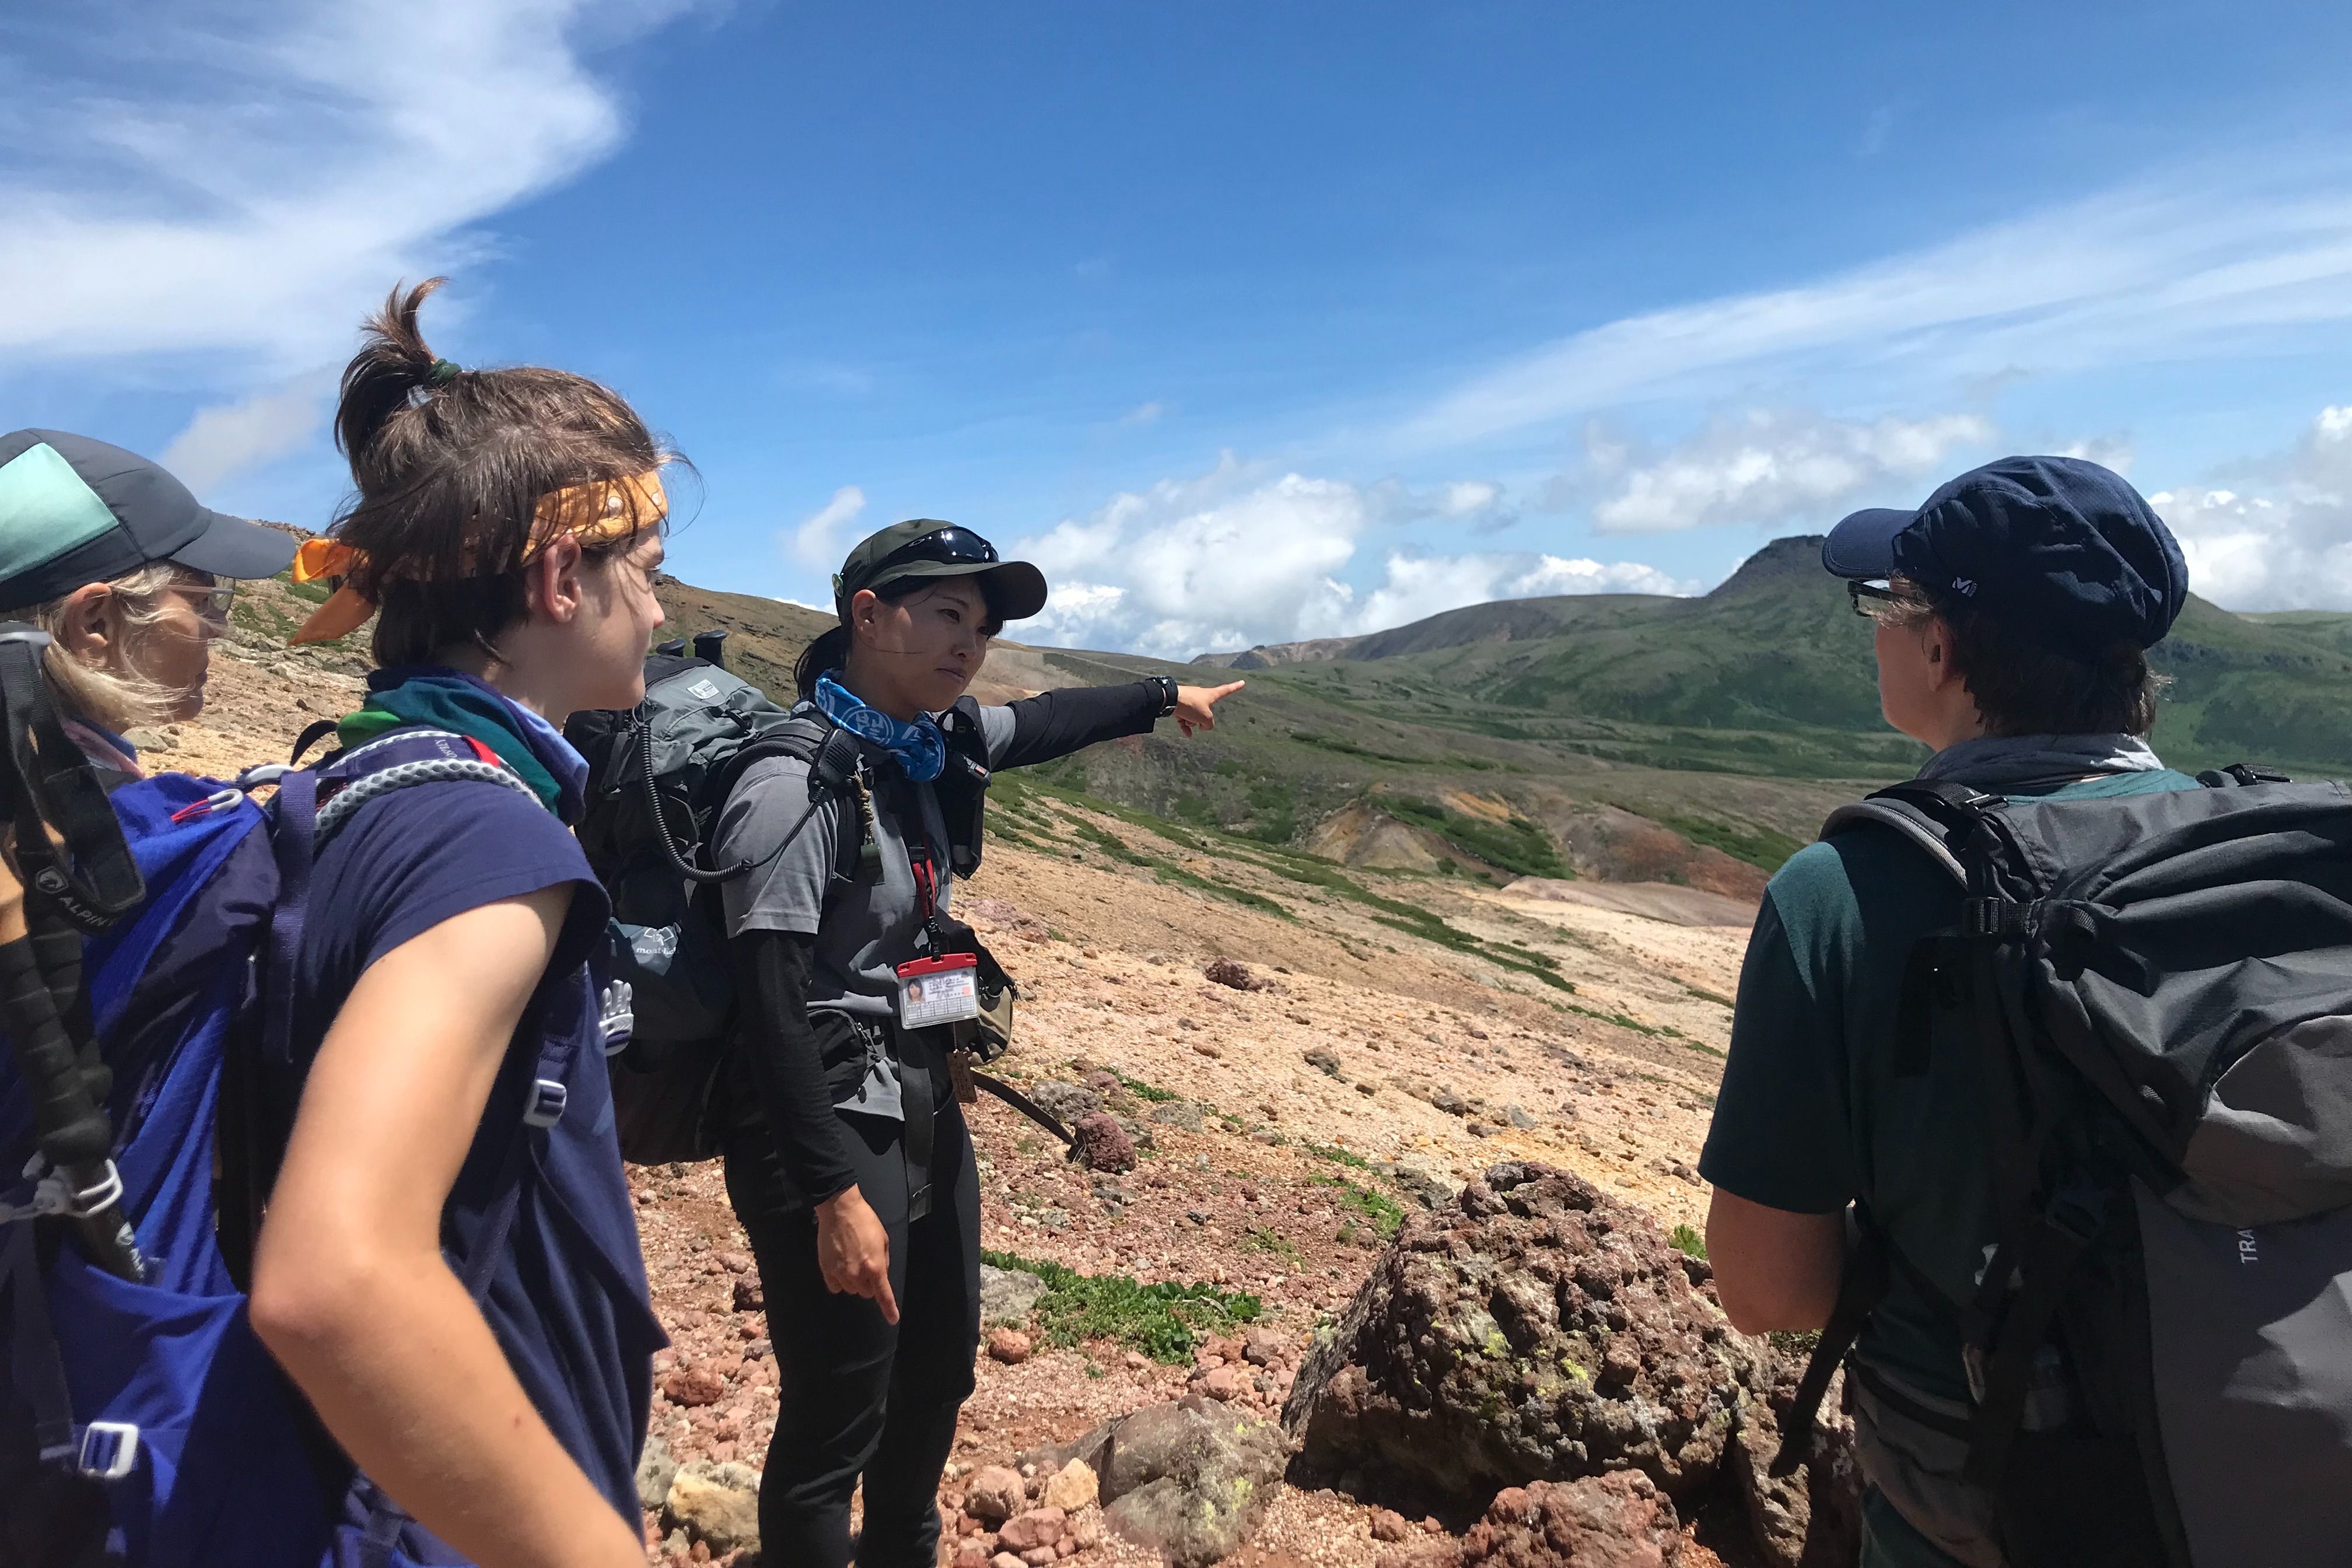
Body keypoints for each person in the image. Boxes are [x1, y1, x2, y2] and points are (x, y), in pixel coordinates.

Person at [713, 518, 1244, 1564]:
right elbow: (766, 999)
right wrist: (830, 1196)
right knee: (837, 1410)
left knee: (935, 1377)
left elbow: (1047, 721)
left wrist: (1159, 693)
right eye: (947, 612)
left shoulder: (930, 743)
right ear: (867, 615)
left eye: (983, 625)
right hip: (820, 1117)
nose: (970, 643)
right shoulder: (796, 780)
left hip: (919, 1094)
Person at [1698, 456, 2195, 1568]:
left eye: (1886, 604)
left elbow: (1766, 1290)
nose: (1874, 629)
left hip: (1996, 1512)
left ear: (1940, 647)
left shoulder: (1841, 893)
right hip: (2281, 1470)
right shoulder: (2267, 860)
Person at [243, 279, 670, 1568]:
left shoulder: (352, 775)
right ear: (558, 577)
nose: (657, 611)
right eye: (644, 575)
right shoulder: (490, 838)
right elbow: (335, 1280)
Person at [0, 428, 298, 785]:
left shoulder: (24, 786)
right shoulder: (99, 823)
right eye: (201, 600)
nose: (220, 626)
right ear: (96, 623)